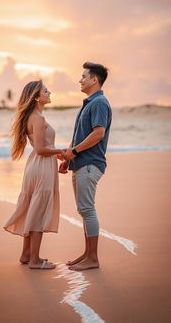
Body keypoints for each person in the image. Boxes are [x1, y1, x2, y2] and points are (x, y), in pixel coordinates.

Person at [4, 80, 65, 269]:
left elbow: (41, 148)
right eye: (46, 91)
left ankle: (26, 255)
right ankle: (35, 260)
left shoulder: (33, 116)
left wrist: (58, 154)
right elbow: (40, 149)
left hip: (36, 166)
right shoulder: (38, 118)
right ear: (37, 97)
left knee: (33, 207)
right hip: (41, 167)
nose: (49, 93)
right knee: (38, 210)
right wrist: (62, 151)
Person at [59, 62, 112, 271]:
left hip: (90, 163)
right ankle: (87, 254)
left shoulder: (99, 103)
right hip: (81, 162)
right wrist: (69, 158)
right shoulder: (91, 103)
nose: (80, 80)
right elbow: (81, 135)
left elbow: (98, 133)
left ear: (94, 80)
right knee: (84, 210)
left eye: (83, 76)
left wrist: (75, 151)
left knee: (88, 210)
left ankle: (93, 258)